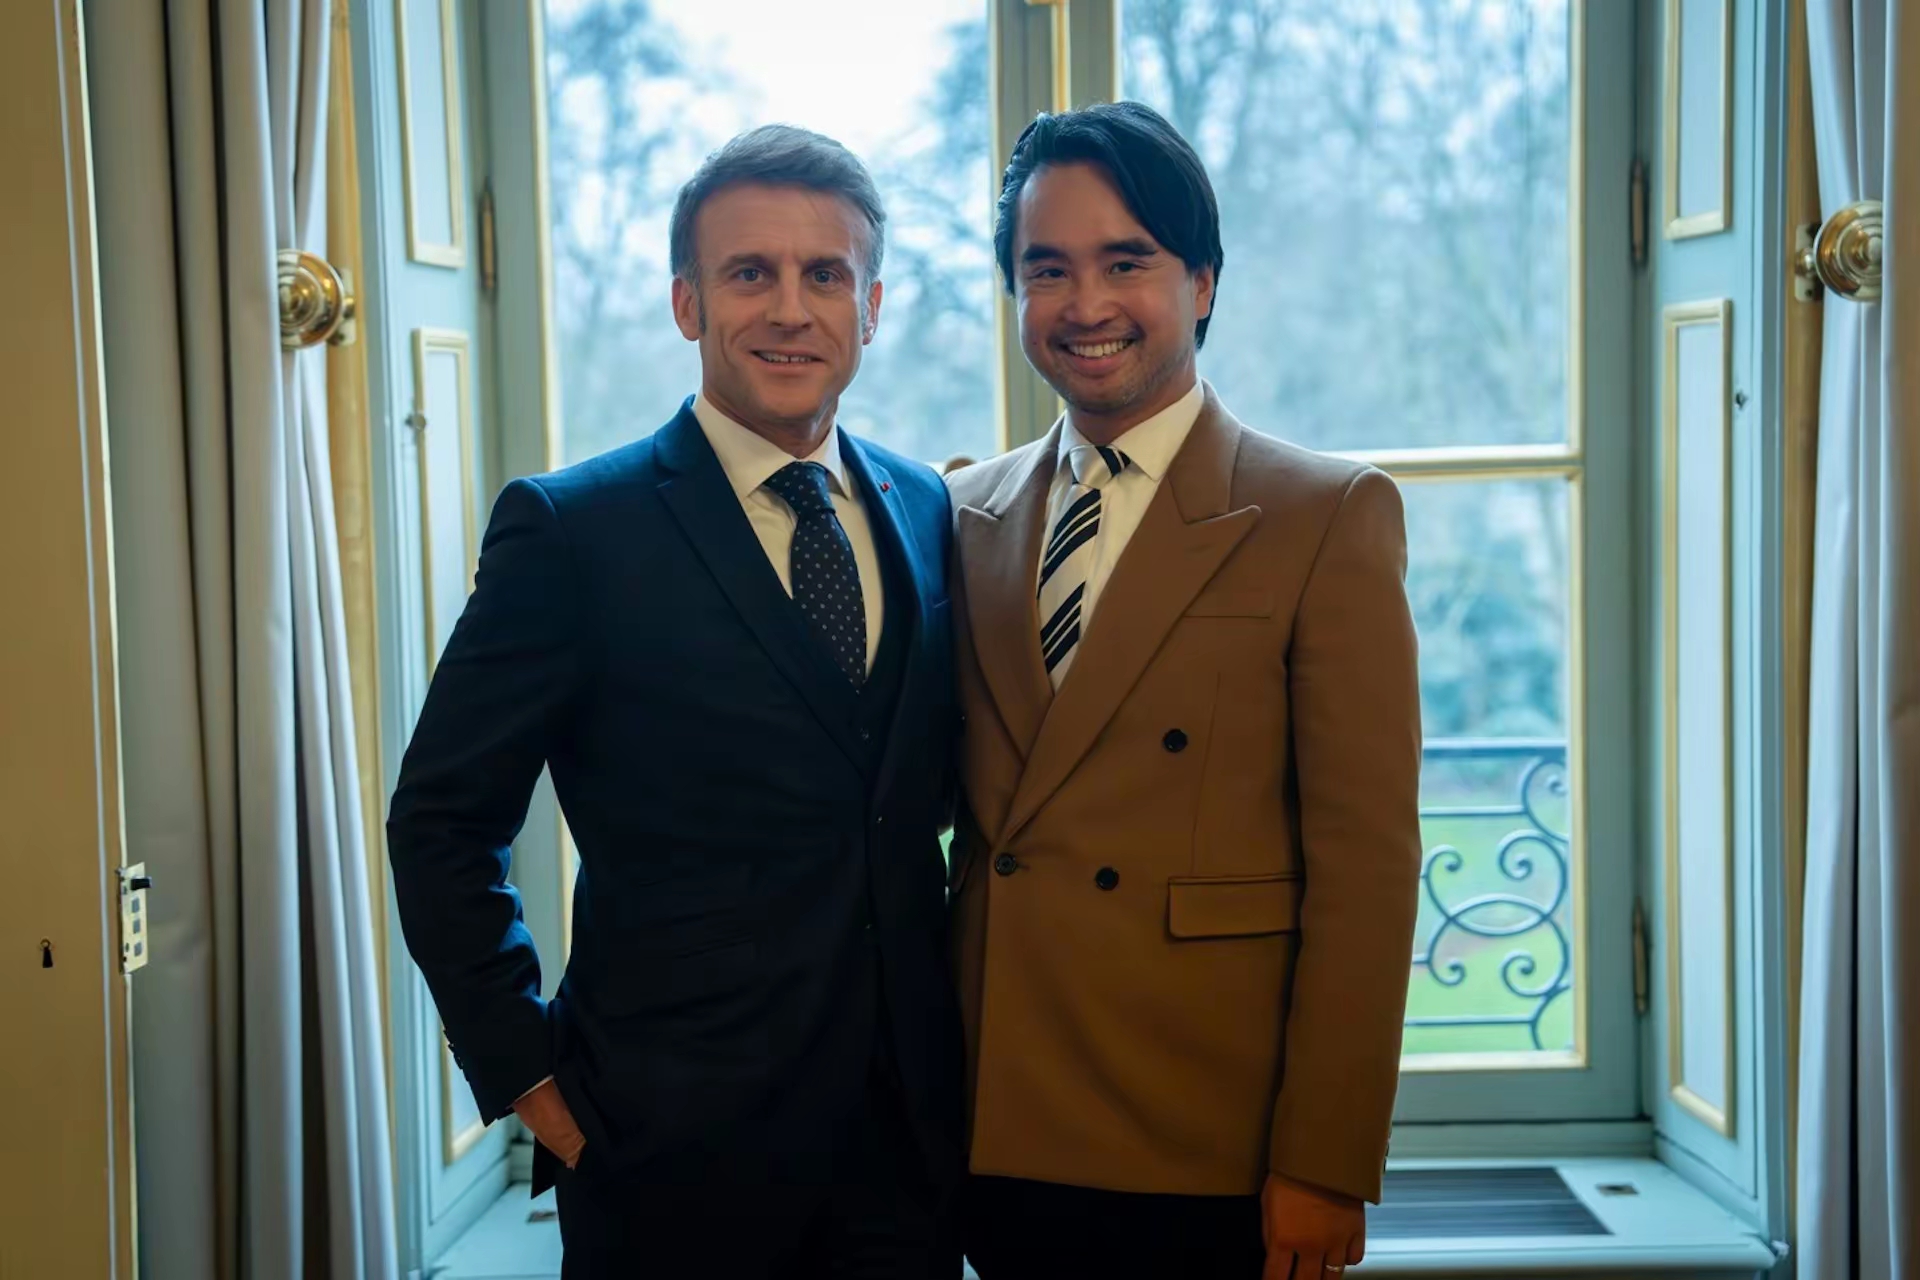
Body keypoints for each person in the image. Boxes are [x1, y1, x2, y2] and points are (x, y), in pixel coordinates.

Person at [387, 124, 964, 1279]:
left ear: (871, 306)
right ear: (687, 302)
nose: (791, 308)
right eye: (750, 272)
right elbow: (440, 819)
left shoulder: (926, 506)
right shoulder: (573, 530)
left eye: (825, 274)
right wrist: (524, 1071)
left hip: (906, 1155)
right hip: (666, 1150)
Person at [946, 101, 1422, 1280]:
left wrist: (1326, 1158)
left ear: (1202, 282)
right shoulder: (960, 512)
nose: (1085, 304)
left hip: (1211, 1135)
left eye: (1127, 262)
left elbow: (1367, 871)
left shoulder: (1324, 512)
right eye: (1046, 269)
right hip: (993, 1117)